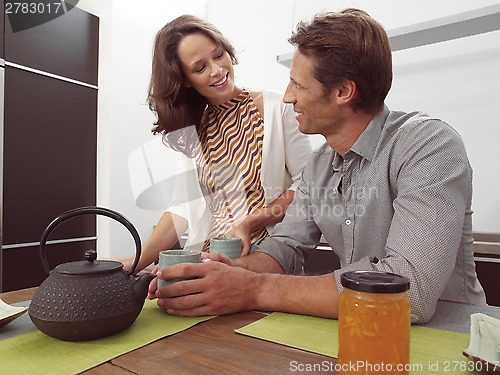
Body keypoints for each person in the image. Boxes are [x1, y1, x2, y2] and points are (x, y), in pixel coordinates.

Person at [148, 8, 487, 324]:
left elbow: (410, 291)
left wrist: (253, 289)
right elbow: (285, 247)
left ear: (343, 91)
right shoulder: (320, 165)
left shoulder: (429, 146)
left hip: (450, 341)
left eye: (298, 84)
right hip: (360, 332)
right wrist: (224, 272)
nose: (287, 97)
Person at [120, 15, 312, 273]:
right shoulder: (193, 130)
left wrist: (252, 221)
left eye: (219, 55)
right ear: (185, 79)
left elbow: (307, 185)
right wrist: (135, 263)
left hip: (266, 254)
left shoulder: (278, 108)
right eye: (200, 68)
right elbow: (182, 209)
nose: (217, 70)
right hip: (210, 256)